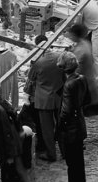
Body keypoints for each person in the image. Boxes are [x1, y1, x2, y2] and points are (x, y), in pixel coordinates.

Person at [25, 30, 69, 160]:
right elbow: (64, 77)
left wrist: (28, 93)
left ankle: (51, 154)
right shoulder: (59, 57)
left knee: (47, 129)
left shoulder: (37, 62)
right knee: (61, 125)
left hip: (43, 101)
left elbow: (30, 83)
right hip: (58, 97)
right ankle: (64, 152)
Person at [57, 59, 89, 182]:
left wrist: (60, 126)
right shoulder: (81, 78)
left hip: (71, 129)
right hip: (79, 124)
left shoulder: (69, 85)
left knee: (72, 162)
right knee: (78, 161)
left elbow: (66, 110)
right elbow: (86, 99)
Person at [67, 22, 98, 116]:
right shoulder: (85, 43)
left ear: (75, 35)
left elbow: (74, 66)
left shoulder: (81, 50)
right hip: (88, 78)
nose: (70, 36)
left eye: (71, 35)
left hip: (85, 81)